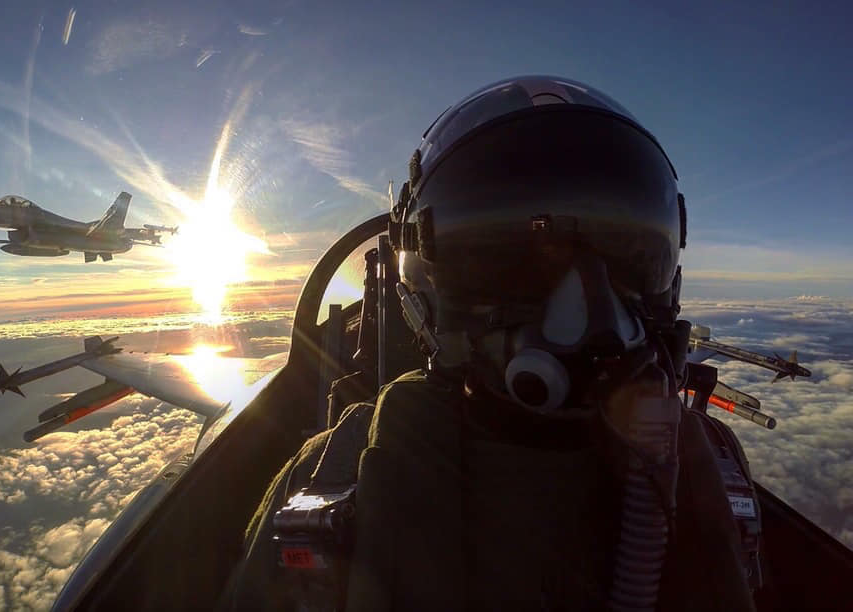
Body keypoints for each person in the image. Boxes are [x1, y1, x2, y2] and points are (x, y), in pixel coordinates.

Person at [218, 76, 757, 611]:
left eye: (621, 258)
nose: (589, 308)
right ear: (425, 289)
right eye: (510, 263)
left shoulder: (705, 467)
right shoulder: (336, 478)